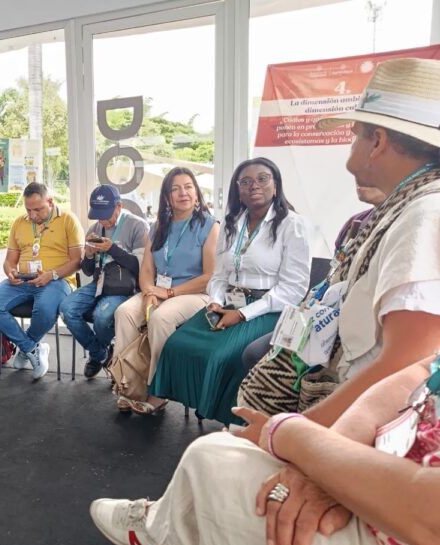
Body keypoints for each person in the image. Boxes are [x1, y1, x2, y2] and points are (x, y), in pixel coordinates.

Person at [235, 57, 440, 440]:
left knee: (208, 462)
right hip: (347, 410)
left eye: (355, 133)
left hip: (358, 427)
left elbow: (406, 364)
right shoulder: (403, 208)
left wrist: (292, 434)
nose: (352, 142)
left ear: (377, 142)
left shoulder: (425, 213)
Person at [90, 354, 440, 545]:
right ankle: (174, 527)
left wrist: (290, 434)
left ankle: (164, 527)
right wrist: (329, 459)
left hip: (400, 544)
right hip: (373, 459)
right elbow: (422, 371)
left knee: (210, 459)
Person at [143, 158, 311, 421]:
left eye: (262, 179)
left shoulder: (292, 225)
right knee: (177, 344)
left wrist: (243, 314)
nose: (254, 185)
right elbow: (220, 275)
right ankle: (178, 398)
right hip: (229, 303)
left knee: (224, 356)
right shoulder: (234, 222)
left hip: (270, 309)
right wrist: (216, 301)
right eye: (245, 182)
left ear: (276, 186)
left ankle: (234, 422)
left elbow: (294, 289)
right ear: (238, 190)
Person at [240, 185, 387, 373]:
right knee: (254, 353)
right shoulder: (355, 222)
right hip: (320, 311)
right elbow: (334, 273)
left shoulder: (405, 224)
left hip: (355, 325)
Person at [112, 167, 218, 412]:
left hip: (195, 294)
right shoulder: (159, 225)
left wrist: (168, 294)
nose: (183, 193)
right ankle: (129, 386)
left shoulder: (210, 226)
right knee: (124, 313)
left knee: (160, 318)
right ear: (167, 196)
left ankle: (159, 390)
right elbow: (147, 269)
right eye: (176, 188)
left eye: (188, 187)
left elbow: (210, 277)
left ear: (197, 192)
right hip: (158, 291)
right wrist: (150, 292)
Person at [0, 182, 83, 380]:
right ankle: (32, 348)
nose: (33, 215)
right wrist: (10, 272)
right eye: (29, 209)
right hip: (23, 280)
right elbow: (10, 260)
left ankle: (26, 347)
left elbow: (78, 261)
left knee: (45, 309)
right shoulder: (20, 223)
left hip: (57, 280)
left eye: (38, 209)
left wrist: (52, 274)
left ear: (50, 202)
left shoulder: (68, 220)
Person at [59, 185, 148, 378]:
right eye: (98, 215)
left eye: (106, 215)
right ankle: (100, 353)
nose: (103, 221)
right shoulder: (95, 228)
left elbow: (142, 267)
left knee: (102, 317)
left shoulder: (138, 226)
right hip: (99, 284)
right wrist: (89, 255)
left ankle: (103, 353)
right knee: (67, 309)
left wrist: (112, 249)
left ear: (119, 206)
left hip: (126, 286)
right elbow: (88, 271)